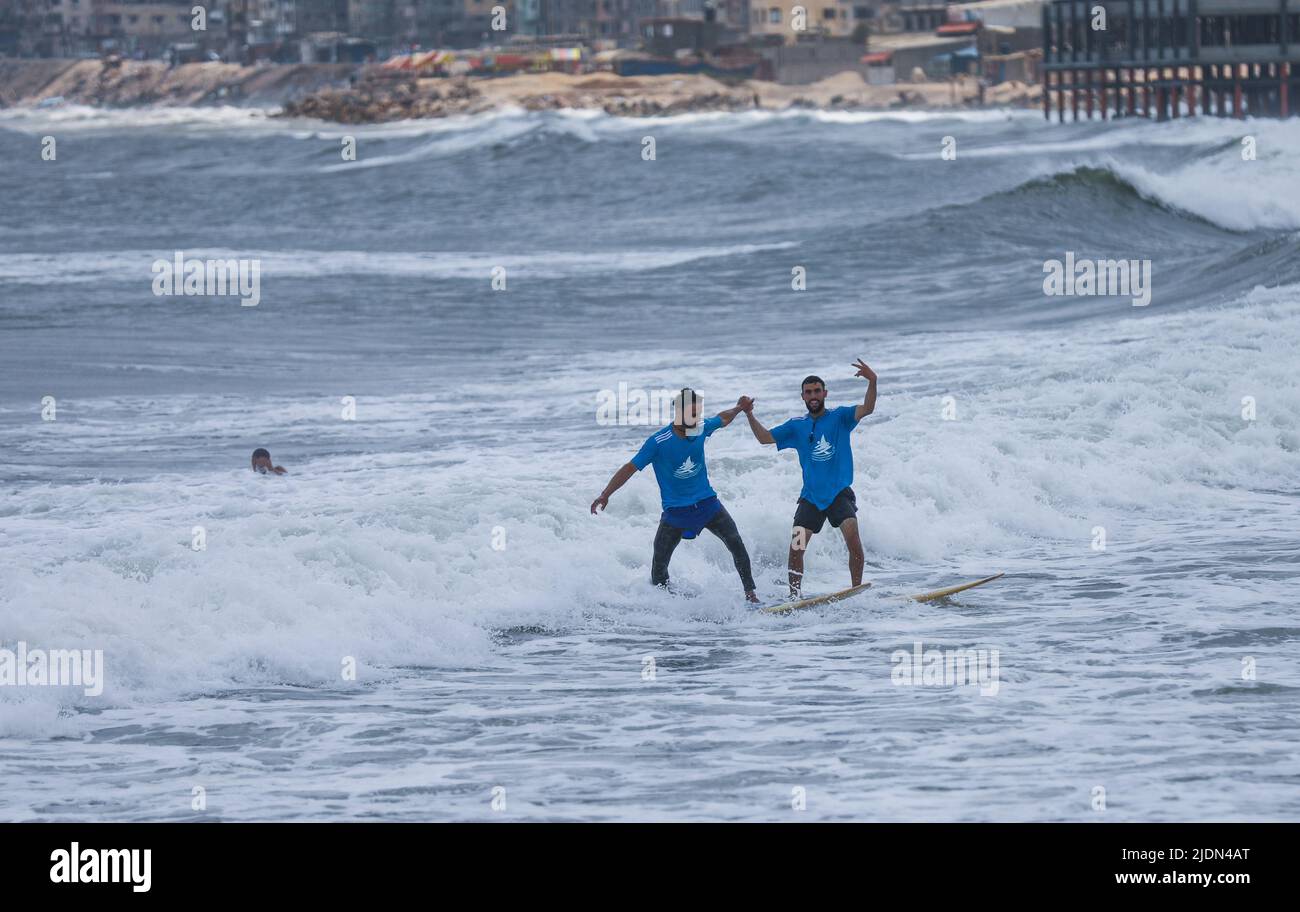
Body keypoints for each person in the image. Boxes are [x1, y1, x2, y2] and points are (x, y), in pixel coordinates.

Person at [591, 389, 759, 603]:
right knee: (658, 569)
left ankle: (751, 595)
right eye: (691, 414)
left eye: (698, 413)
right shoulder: (658, 441)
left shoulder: (700, 428)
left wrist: (738, 408)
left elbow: (722, 419)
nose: (696, 419)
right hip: (676, 513)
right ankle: (667, 607)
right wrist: (605, 494)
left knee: (737, 545)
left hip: (708, 505)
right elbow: (630, 468)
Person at [741, 360, 877, 597]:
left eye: (817, 391)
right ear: (802, 397)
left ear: (825, 393)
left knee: (853, 543)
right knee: (796, 549)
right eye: (808, 392)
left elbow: (867, 408)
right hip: (810, 497)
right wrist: (749, 414)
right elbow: (764, 438)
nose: (813, 395)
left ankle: (856, 591)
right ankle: (794, 597)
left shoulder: (840, 417)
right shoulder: (796, 426)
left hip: (839, 493)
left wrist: (872, 381)